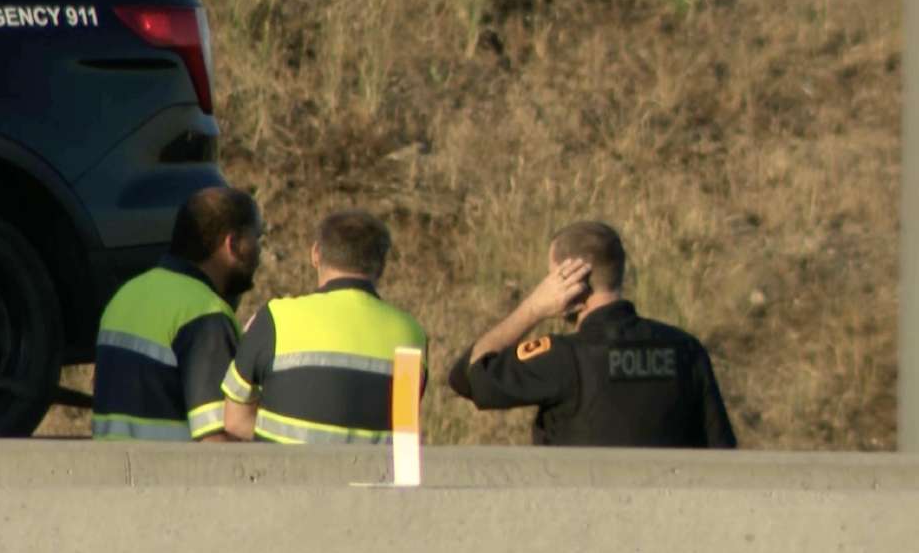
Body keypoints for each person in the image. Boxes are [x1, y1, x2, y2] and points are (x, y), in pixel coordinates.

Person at [448, 221, 737, 448]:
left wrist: (534, 307)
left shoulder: (564, 358)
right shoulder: (686, 350)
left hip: (582, 518)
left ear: (569, 279)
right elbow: (720, 452)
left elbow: (469, 378)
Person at [222, 209, 427, 443]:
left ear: (315, 254)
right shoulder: (410, 333)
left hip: (285, 476)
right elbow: (403, 434)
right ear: (381, 266)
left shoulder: (275, 318)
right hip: (370, 478)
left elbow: (235, 421)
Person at [93, 187, 262, 441]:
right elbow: (217, 441)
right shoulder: (206, 315)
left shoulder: (126, 295)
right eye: (256, 237)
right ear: (233, 243)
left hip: (114, 475)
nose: (260, 251)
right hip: (170, 478)